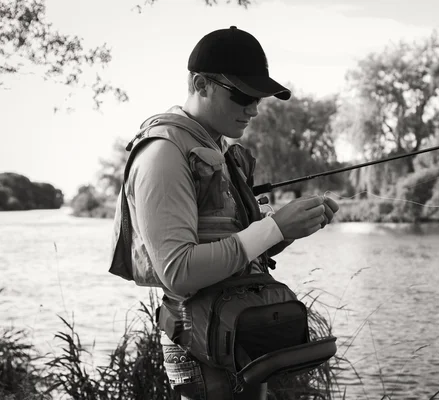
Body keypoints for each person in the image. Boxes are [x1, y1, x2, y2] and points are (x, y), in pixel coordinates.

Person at [115, 26, 339, 399]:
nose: (253, 109)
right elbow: (179, 272)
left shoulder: (216, 147)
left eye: (259, 98)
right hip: (202, 352)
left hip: (239, 340)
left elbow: (235, 244)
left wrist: (287, 229)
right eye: (241, 95)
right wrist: (274, 227)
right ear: (201, 84)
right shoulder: (163, 154)